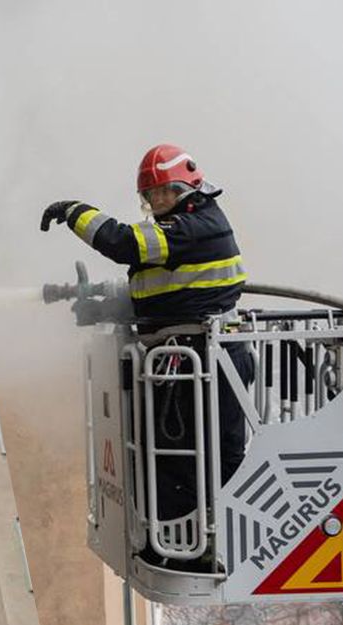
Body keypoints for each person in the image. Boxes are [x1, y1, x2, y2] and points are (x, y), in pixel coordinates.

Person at [40, 143, 254, 564]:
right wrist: (100, 310)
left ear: (188, 188)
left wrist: (74, 211)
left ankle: (189, 550)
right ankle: (197, 544)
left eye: (164, 193)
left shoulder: (194, 227)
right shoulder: (183, 228)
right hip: (198, 360)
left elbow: (124, 244)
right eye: (151, 196)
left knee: (189, 461)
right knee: (189, 458)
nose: (158, 203)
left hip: (204, 362)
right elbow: (162, 297)